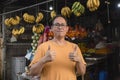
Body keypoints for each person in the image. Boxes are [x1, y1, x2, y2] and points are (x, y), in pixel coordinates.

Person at [29, 15, 86, 80]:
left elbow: (82, 72)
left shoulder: (74, 47)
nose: (60, 27)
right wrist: (43, 60)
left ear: (67, 28)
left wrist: (78, 60)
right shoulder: (43, 47)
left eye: (63, 25)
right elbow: (32, 73)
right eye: (57, 24)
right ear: (52, 28)